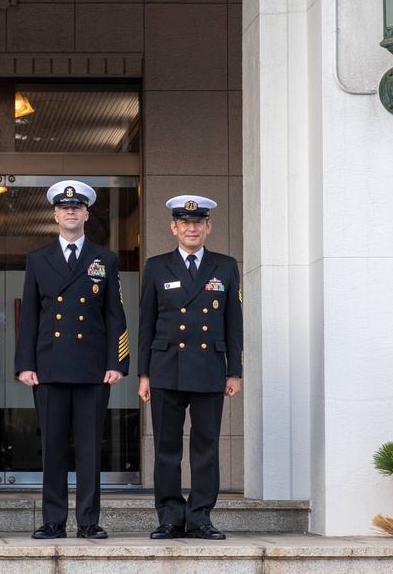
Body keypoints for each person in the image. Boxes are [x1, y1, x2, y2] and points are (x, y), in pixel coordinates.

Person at [15, 180, 129, 540]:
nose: (70, 212)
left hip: (93, 368)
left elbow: (115, 316)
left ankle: (89, 521)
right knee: (52, 447)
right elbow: (29, 316)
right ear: (55, 214)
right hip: (48, 366)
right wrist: (24, 363)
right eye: (65, 208)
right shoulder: (37, 259)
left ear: (86, 214)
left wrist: (118, 362)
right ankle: (53, 520)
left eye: (76, 207)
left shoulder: (105, 259)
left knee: (90, 448)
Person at [137, 195, 243, 541]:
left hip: (209, 368)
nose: (192, 228)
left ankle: (199, 517)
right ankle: (169, 516)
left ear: (208, 227)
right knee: (166, 447)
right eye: (185, 222)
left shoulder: (225, 266)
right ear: (174, 227)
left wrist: (234, 371)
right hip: (166, 367)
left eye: (198, 223)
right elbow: (146, 323)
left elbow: (233, 322)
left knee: (206, 447)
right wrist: (143, 374)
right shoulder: (156, 266)